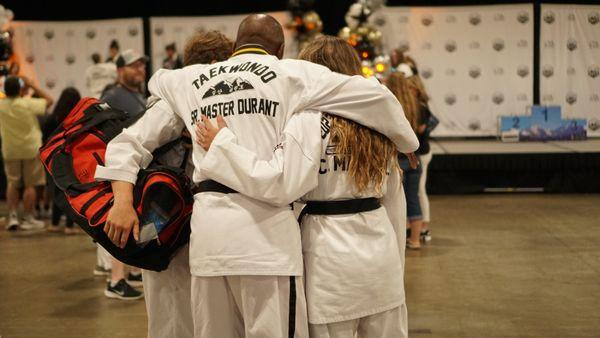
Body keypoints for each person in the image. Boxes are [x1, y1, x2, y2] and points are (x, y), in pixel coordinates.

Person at [96, 14, 416, 338]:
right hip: (268, 243)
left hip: (210, 240)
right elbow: (375, 96)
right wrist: (406, 142)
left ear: (235, 46)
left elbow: (142, 112)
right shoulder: (293, 74)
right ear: (280, 50)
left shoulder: (187, 79)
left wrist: (122, 201)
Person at [195, 35, 412, 337]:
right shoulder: (380, 127)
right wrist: (395, 265)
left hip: (329, 259)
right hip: (380, 252)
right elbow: (395, 204)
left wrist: (223, 145)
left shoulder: (307, 120)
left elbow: (281, 183)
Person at [100, 48, 149, 301]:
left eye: (141, 65)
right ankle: (115, 280)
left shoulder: (135, 95)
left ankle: (129, 272)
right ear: (120, 70)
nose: (140, 69)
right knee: (120, 225)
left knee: (132, 225)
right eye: (133, 66)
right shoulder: (113, 96)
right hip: (119, 172)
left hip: (134, 170)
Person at [0, 76, 53, 230]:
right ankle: (28, 217)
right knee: (31, 185)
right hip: (31, 148)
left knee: (12, 183)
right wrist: (32, 85)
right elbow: (49, 100)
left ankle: (13, 217)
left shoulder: (1, 105)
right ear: (20, 89)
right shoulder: (28, 104)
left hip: (10, 149)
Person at [386, 71, 425, 249]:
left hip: (396, 159)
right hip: (414, 158)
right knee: (413, 199)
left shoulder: (389, 104)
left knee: (393, 204)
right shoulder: (414, 104)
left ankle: (397, 240)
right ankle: (416, 239)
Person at [43, 87, 81, 234]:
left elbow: (44, 140)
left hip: (53, 159)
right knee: (71, 192)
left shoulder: (53, 118)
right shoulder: (79, 118)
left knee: (56, 192)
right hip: (72, 158)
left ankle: (54, 223)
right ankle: (70, 226)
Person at [101, 49, 148, 118]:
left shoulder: (140, 94)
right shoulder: (112, 97)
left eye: (142, 66)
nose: (140, 70)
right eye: (135, 66)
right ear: (120, 71)